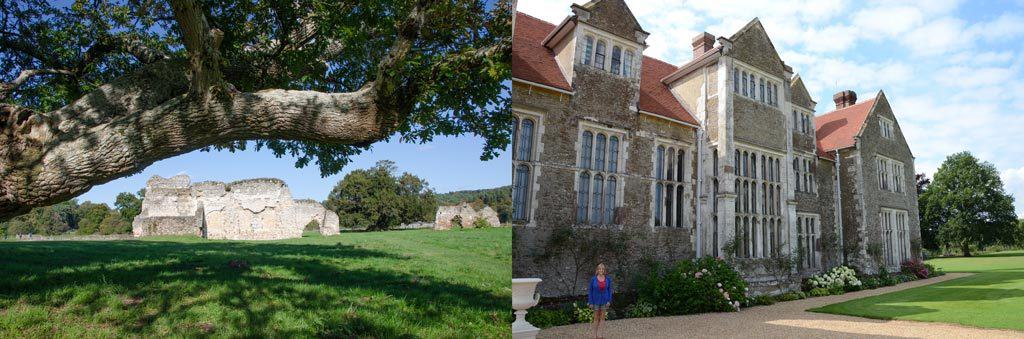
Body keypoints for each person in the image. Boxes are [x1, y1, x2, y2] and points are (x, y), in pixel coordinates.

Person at [587, 263, 612, 339]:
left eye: (602, 269)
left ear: (604, 270)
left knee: (602, 318)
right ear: (597, 270)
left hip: (604, 301)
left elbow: (610, 290)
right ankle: (594, 335)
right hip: (595, 301)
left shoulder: (608, 279)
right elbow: (590, 291)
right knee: (595, 318)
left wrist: (609, 300)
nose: (601, 270)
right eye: (599, 269)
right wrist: (591, 302)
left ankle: (600, 335)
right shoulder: (593, 279)